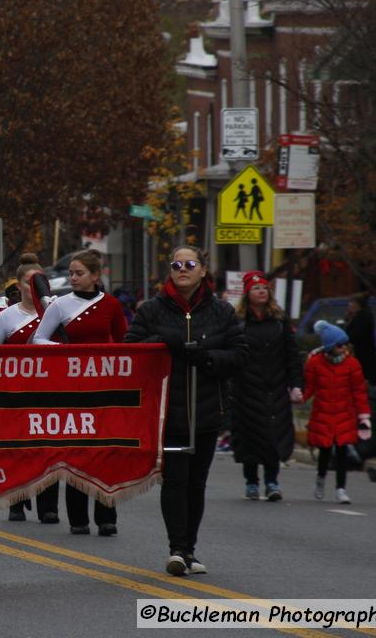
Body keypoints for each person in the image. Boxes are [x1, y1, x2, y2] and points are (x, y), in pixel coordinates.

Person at [123, 245, 247, 576]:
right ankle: (176, 548)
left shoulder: (221, 311)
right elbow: (130, 349)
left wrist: (207, 357)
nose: (183, 269)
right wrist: (165, 342)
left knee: (196, 483)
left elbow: (239, 355)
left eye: (190, 263)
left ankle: (190, 548)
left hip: (206, 410)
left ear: (203, 270)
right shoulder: (152, 309)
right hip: (168, 410)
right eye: (176, 264)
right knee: (175, 481)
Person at [34, 249, 128, 536]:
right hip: (72, 385)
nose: (73, 278)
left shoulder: (111, 304)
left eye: (79, 273)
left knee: (104, 451)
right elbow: (38, 339)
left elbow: (126, 342)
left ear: (95, 276)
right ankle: (78, 518)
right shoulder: (60, 305)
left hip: (104, 386)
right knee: (76, 450)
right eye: (72, 273)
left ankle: (106, 514)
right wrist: (65, 352)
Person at [229, 271, 303, 501]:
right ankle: (251, 481)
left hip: (275, 389)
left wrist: (296, 385)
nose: (262, 292)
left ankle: (272, 481)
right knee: (250, 437)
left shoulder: (280, 322)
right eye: (256, 289)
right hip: (246, 390)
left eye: (264, 288)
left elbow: (292, 356)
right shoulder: (238, 323)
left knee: (274, 435)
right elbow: (231, 355)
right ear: (247, 294)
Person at [0, 253, 45, 522]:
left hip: (48, 391)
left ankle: (48, 506)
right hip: (14, 392)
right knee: (17, 448)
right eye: (28, 281)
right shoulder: (6, 317)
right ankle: (16, 501)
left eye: (38, 281)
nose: (33, 287)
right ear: (19, 285)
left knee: (45, 447)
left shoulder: (55, 311)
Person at [302, 320, 371, 505]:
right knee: (324, 451)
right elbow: (309, 387)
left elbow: (359, 392)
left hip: (344, 415)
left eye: (345, 344)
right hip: (323, 413)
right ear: (330, 346)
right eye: (339, 345)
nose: (343, 348)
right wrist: (296, 397)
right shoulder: (315, 363)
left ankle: (341, 489)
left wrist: (363, 416)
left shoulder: (352, 364)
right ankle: (321, 479)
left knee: (342, 452)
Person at [344, 294, 376, 387]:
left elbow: (357, 334)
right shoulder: (359, 316)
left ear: (358, 304)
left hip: (364, 351)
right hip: (361, 350)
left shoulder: (364, 316)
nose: (349, 305)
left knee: (366, 373)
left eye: (352, 302)